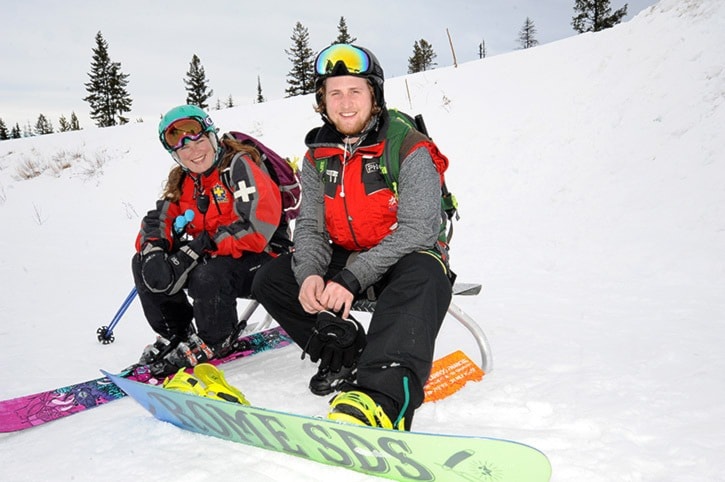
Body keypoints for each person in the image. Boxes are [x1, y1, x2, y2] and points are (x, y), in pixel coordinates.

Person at [252, 44, 454, 430]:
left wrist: (350, 277)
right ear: (322, 102)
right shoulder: (317, 156)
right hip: (350, 255)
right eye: (335, 93)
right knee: (272, 279)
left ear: (374, 96)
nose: (345, 103)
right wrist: (311, 272)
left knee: (424, 276)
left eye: (355, 91)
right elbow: (310, 226)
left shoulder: (408, 147)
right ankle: (345, 357)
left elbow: (420, 228)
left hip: (404, 255)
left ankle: (381, 398)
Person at [133, 104, 283, 376]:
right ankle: (175, 334)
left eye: (199, 140)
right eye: (183, 149)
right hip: (216, 257)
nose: (194, 152)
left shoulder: (239, 166)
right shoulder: (184, 179)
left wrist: (205, 245)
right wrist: (153, 247)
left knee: (207, 273)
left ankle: (216, 338)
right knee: (142, 262)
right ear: (175, 154)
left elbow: (258, 228)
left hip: (266, 259)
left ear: (212, 135)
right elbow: (161, 217)